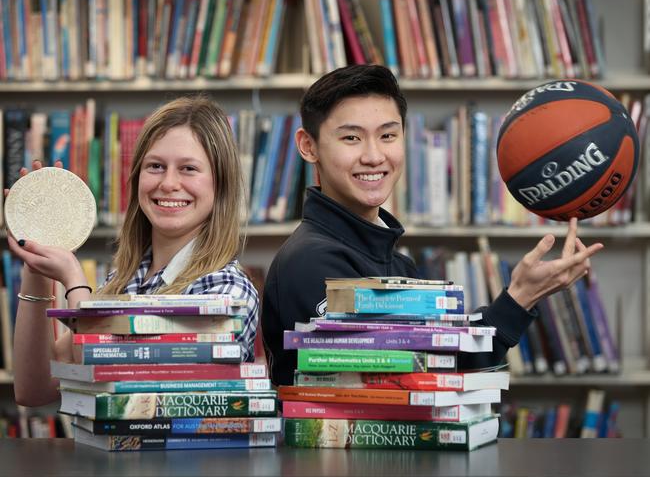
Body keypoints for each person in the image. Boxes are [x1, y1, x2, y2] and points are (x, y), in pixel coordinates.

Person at [262, 64, 604, 386]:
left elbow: (441, 367)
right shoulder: (311, 262)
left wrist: (521, 296)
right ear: (309, 146)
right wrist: (516, 300)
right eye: (351, 138)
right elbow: (399, 387)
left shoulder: (396, 262)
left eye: (388, 136)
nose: (374, 156)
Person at [10, 96, 259, 406]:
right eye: (155, 166)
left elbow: (122, 400)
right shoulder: (124, 282)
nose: (168, 183)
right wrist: (35, 262)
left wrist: (75, 282)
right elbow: (35, 390)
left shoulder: (228, 290)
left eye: (189, 169)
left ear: (220, 185)